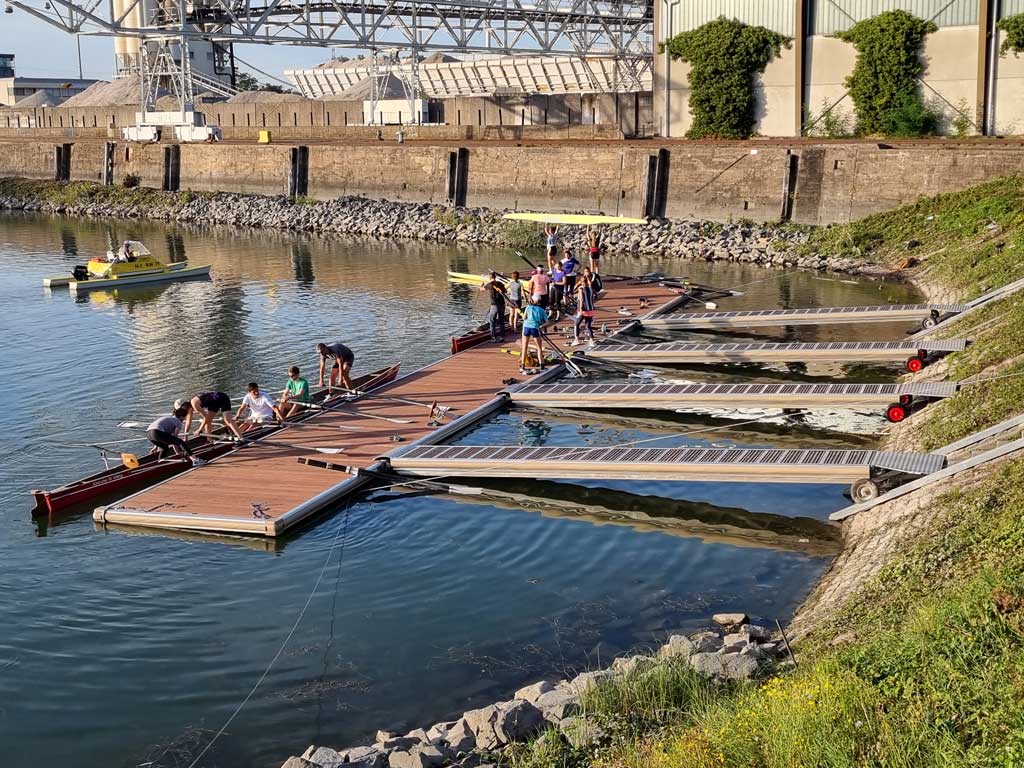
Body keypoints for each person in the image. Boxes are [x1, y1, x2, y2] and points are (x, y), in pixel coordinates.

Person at [520, 295, 548, 373]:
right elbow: (547, 322)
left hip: (526, 327)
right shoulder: (542, 310)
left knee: (524, 347)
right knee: (539, 347)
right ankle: (542, 365)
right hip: (535, 328)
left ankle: (523, 365)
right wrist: (541, 326)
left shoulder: (528, 307)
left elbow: (524, 318)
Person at [572, 267, 598, 346]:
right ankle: (591, 340)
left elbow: (581, 299)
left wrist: (580, 309)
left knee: (576, 324)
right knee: (588, 326)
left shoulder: (581, 289)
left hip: (583, 310)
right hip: (590, 310)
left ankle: (576, 339)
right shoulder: (590, 288)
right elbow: (590, 284)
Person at [480, 270, 507, 342]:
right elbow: (505, 291)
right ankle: (502, 337)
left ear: (490, 277)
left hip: (494, 305)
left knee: (492, 322)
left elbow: (481, 290)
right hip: (502, 304)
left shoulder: (489, 284)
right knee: (501, 321)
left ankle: (493, 338)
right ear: (495, 277)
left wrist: (481, 285)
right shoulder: (500, 283)